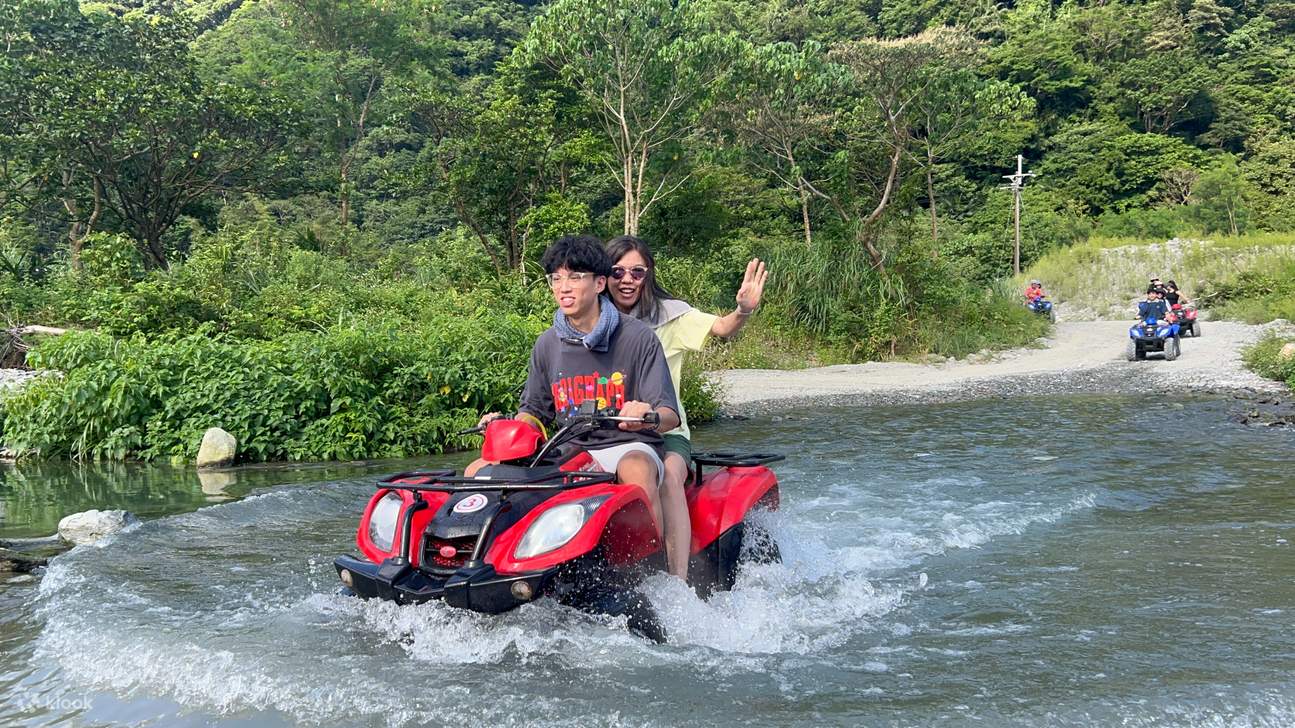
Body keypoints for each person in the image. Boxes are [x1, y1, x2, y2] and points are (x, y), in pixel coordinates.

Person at [467, 235, 681, 537]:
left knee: (636, 468)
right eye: (556, 278)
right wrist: (505, 428)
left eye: (575, 277)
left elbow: (670, 414)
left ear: (599, 284)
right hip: (570, 449)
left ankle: (651, 575)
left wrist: (647, 415)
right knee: (477, 470)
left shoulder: (637, 337)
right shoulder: (546, 344)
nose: (563, 287)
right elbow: (533, 412)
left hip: (629, 447)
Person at [604, 235, 768, 580]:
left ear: (648, 276)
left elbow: (721, 328)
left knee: (667, 479)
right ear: (604, 276)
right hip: (604, 436)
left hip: (665, 431)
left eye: (637, 271)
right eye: (618, 272)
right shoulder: (592, 321)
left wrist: (743, 310)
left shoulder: (670, 316)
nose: (627, 280)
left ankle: (676, 579)